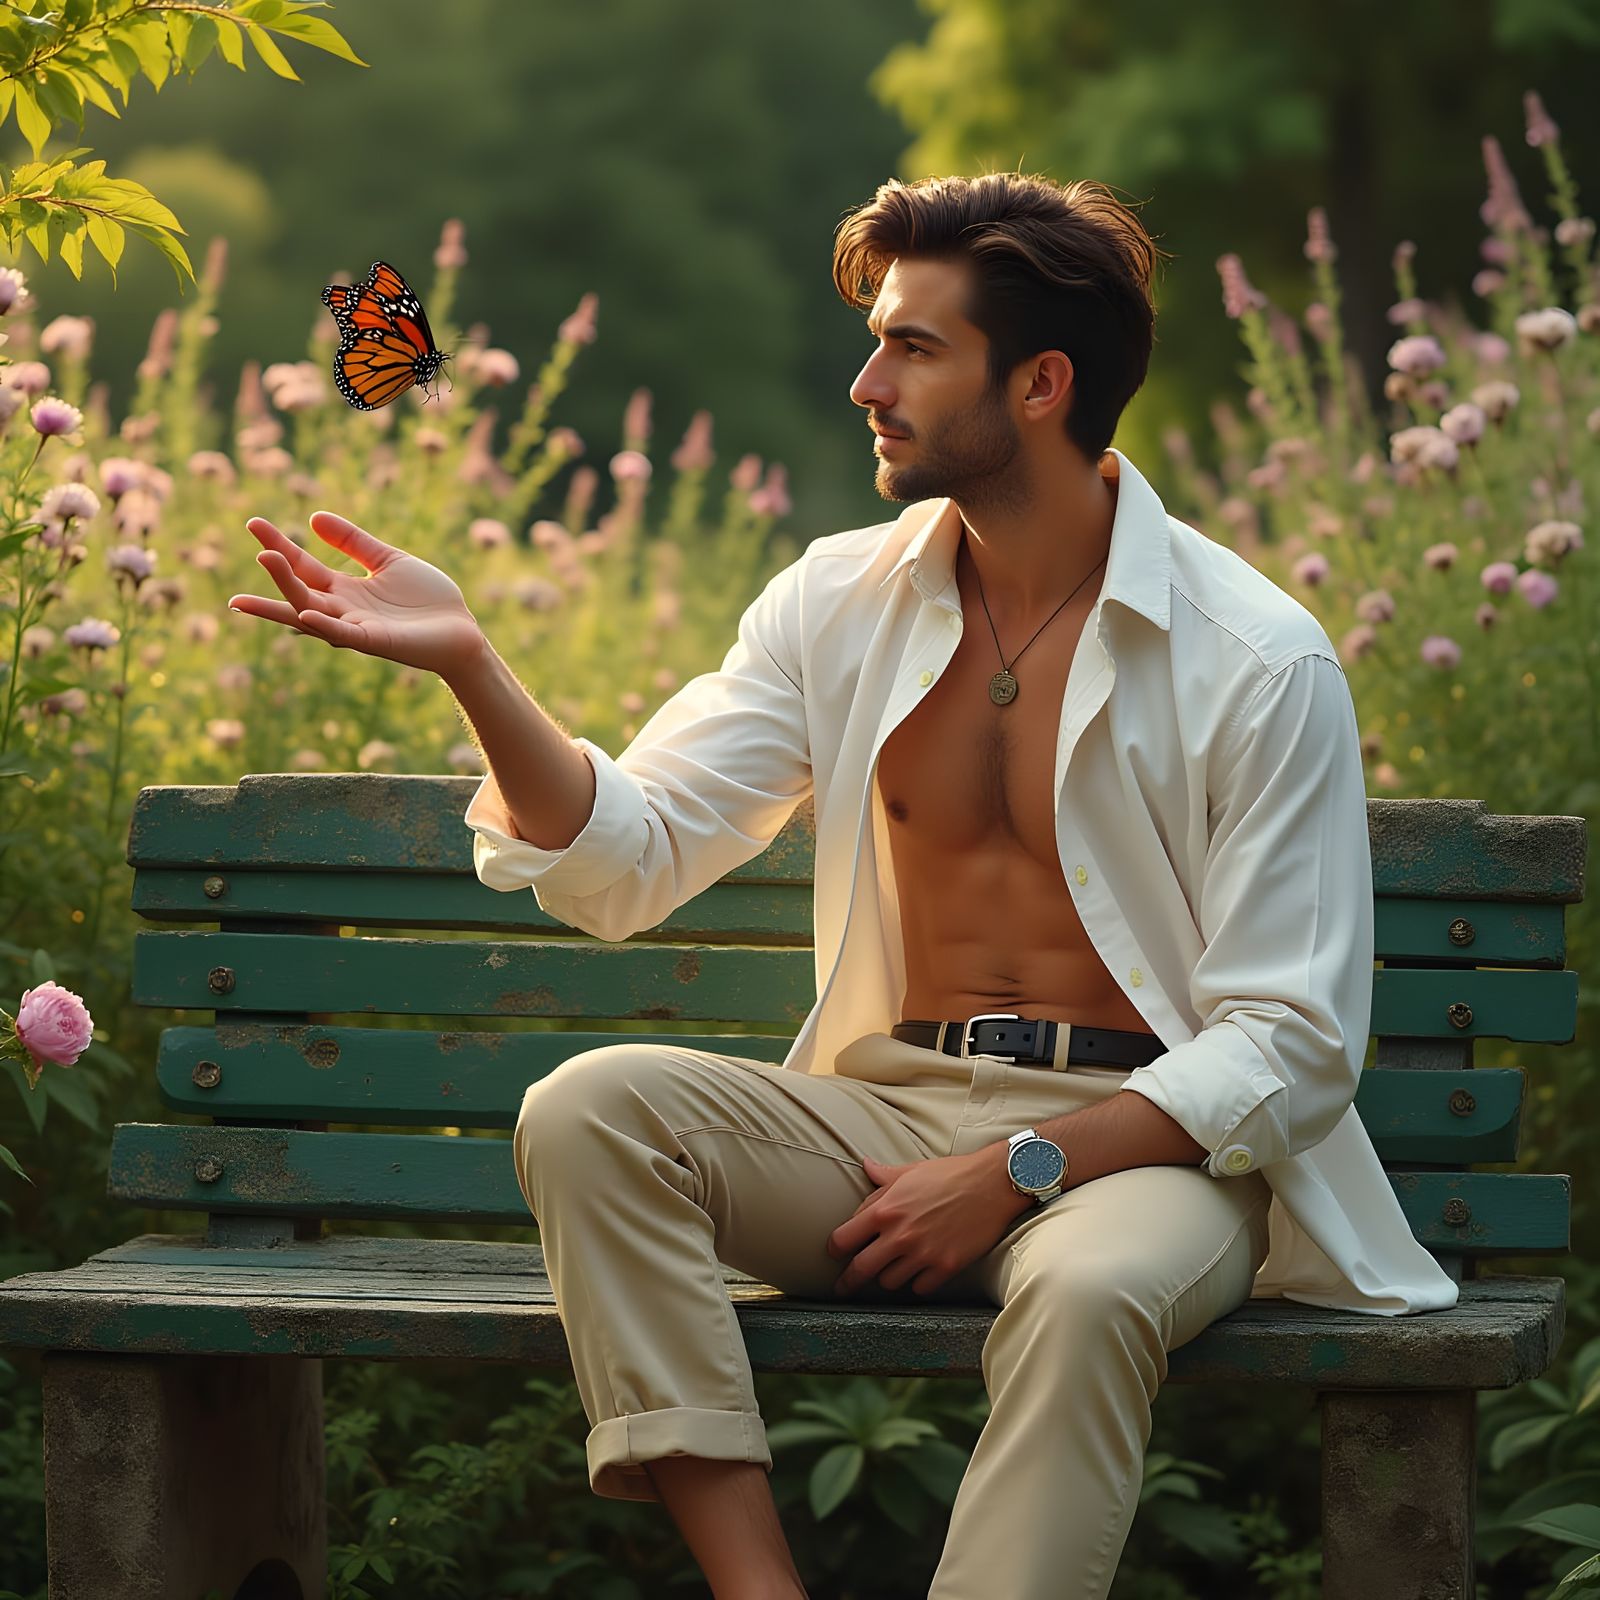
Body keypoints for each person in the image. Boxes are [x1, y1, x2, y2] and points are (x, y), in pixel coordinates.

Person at [231, 171, 1460, 1600]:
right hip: (885, 1113)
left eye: (915, 347)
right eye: (877, 339)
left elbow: (1290, 1047)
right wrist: (474, 667)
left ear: (1045, 382)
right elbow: (631, 855)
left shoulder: (1255, 655)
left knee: (1084, 1292)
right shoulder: (835, 598)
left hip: (1144, 1150)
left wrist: (1015, 1171)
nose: (868, 380)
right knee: (589, 1114)